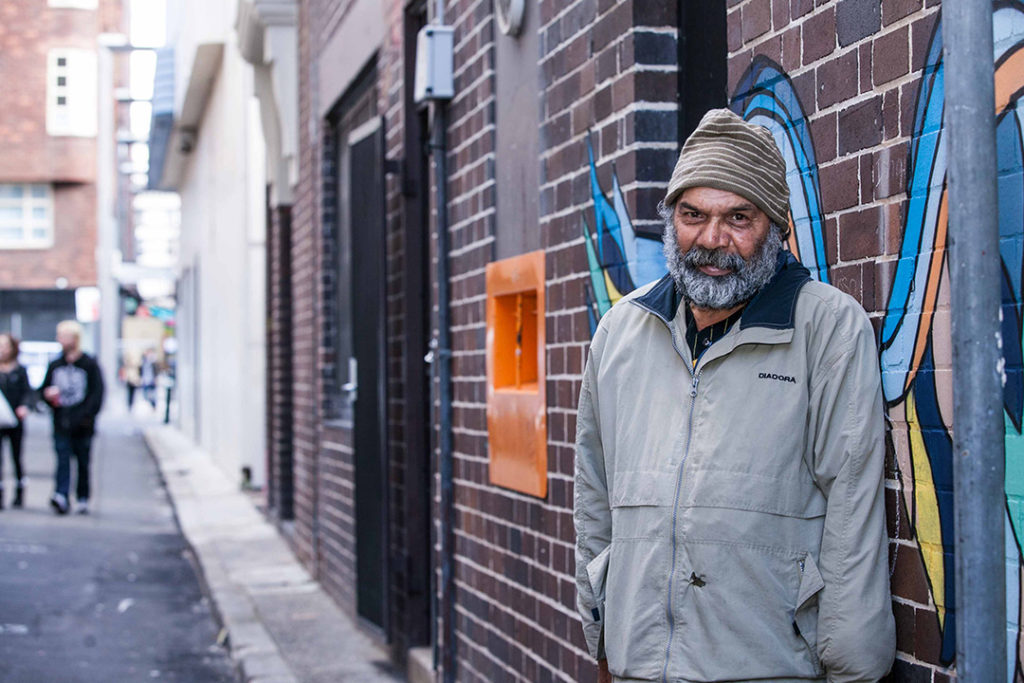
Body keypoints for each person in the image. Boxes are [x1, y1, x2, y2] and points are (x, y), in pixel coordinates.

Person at [573, 109, 895, 682]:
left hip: (769, 667)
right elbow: (594, 501)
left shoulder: (827, 330)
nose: (712, 239)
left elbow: (852, 519)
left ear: (776, 226)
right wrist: (601, 640)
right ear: (671, 220)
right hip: (636, 666)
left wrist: (853, 671)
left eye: (738, 217)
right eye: (692, 215)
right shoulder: (619, 335)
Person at [41, 320, 104, 515]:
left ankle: (83, 497)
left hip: (83, 424)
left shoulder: (89, 364)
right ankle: (61, 495)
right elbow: (43, 389)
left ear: (74, 338)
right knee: (62, 459)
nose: (60, 340)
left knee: (83, 461)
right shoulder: (55, 364)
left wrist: (87, 416)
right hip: (61, 422)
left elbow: (97, 393)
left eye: (63, 336)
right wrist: (47, 396)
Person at [0, 333, 31, 509]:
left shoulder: (19, 370)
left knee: (16, 456)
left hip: (16, 421)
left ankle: (19, 490)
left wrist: (24, 406)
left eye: (5, 345)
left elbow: (28, 392)